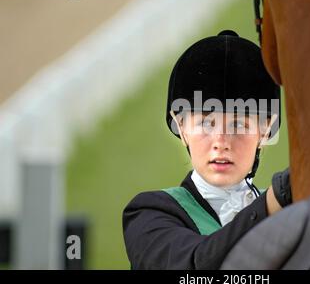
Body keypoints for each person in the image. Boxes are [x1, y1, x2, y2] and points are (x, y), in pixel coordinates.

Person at [122, 30, 291, 270]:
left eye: (238, 124)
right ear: (181, 128)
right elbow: (195, 268)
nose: (221, 141)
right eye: (205, 123)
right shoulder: (148, 215)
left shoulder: (290, 211)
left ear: (264, 131)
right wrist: (276, 200)